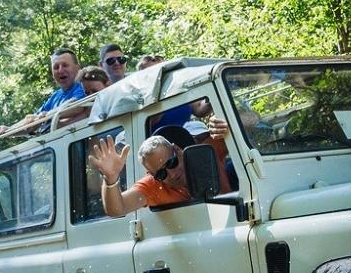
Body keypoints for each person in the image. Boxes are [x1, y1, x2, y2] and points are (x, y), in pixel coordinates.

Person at [87, 116, 231, 215]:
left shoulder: (207, 151)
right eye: (162, 174)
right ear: (152, 175)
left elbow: (250, 124)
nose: (172, 174)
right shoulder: (154, 185)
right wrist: (111, 179)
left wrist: (227, 125)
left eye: (172, 163)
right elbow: (117, 209)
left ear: (178, 150)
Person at [35, 48, 85, 112]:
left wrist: (46, 116)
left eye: (65, 65)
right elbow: (35, 116)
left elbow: (75, 107)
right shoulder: (55, 96)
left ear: (77, 68)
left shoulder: (85, 88)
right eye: (56, 67)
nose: (60, 71)